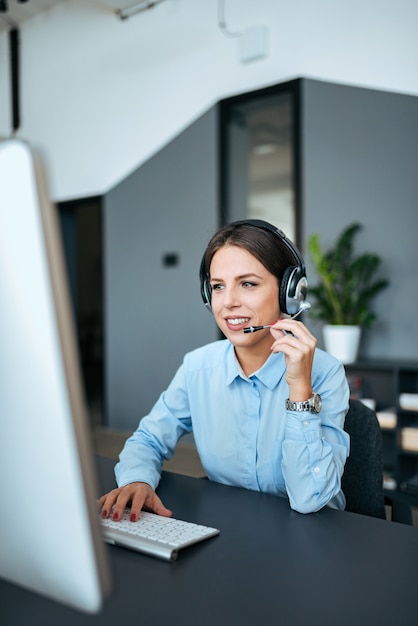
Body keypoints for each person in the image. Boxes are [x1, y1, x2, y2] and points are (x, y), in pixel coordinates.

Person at [99, 219, 350, 521]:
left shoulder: (325, 373)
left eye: (248, 284)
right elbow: (148, 439)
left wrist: (300, 392)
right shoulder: (199, 367)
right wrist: (137, 479)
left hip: (315, 539)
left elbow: (310, 499)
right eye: (218, 286)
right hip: (231, 531)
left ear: (289, 292)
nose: (228, 302)